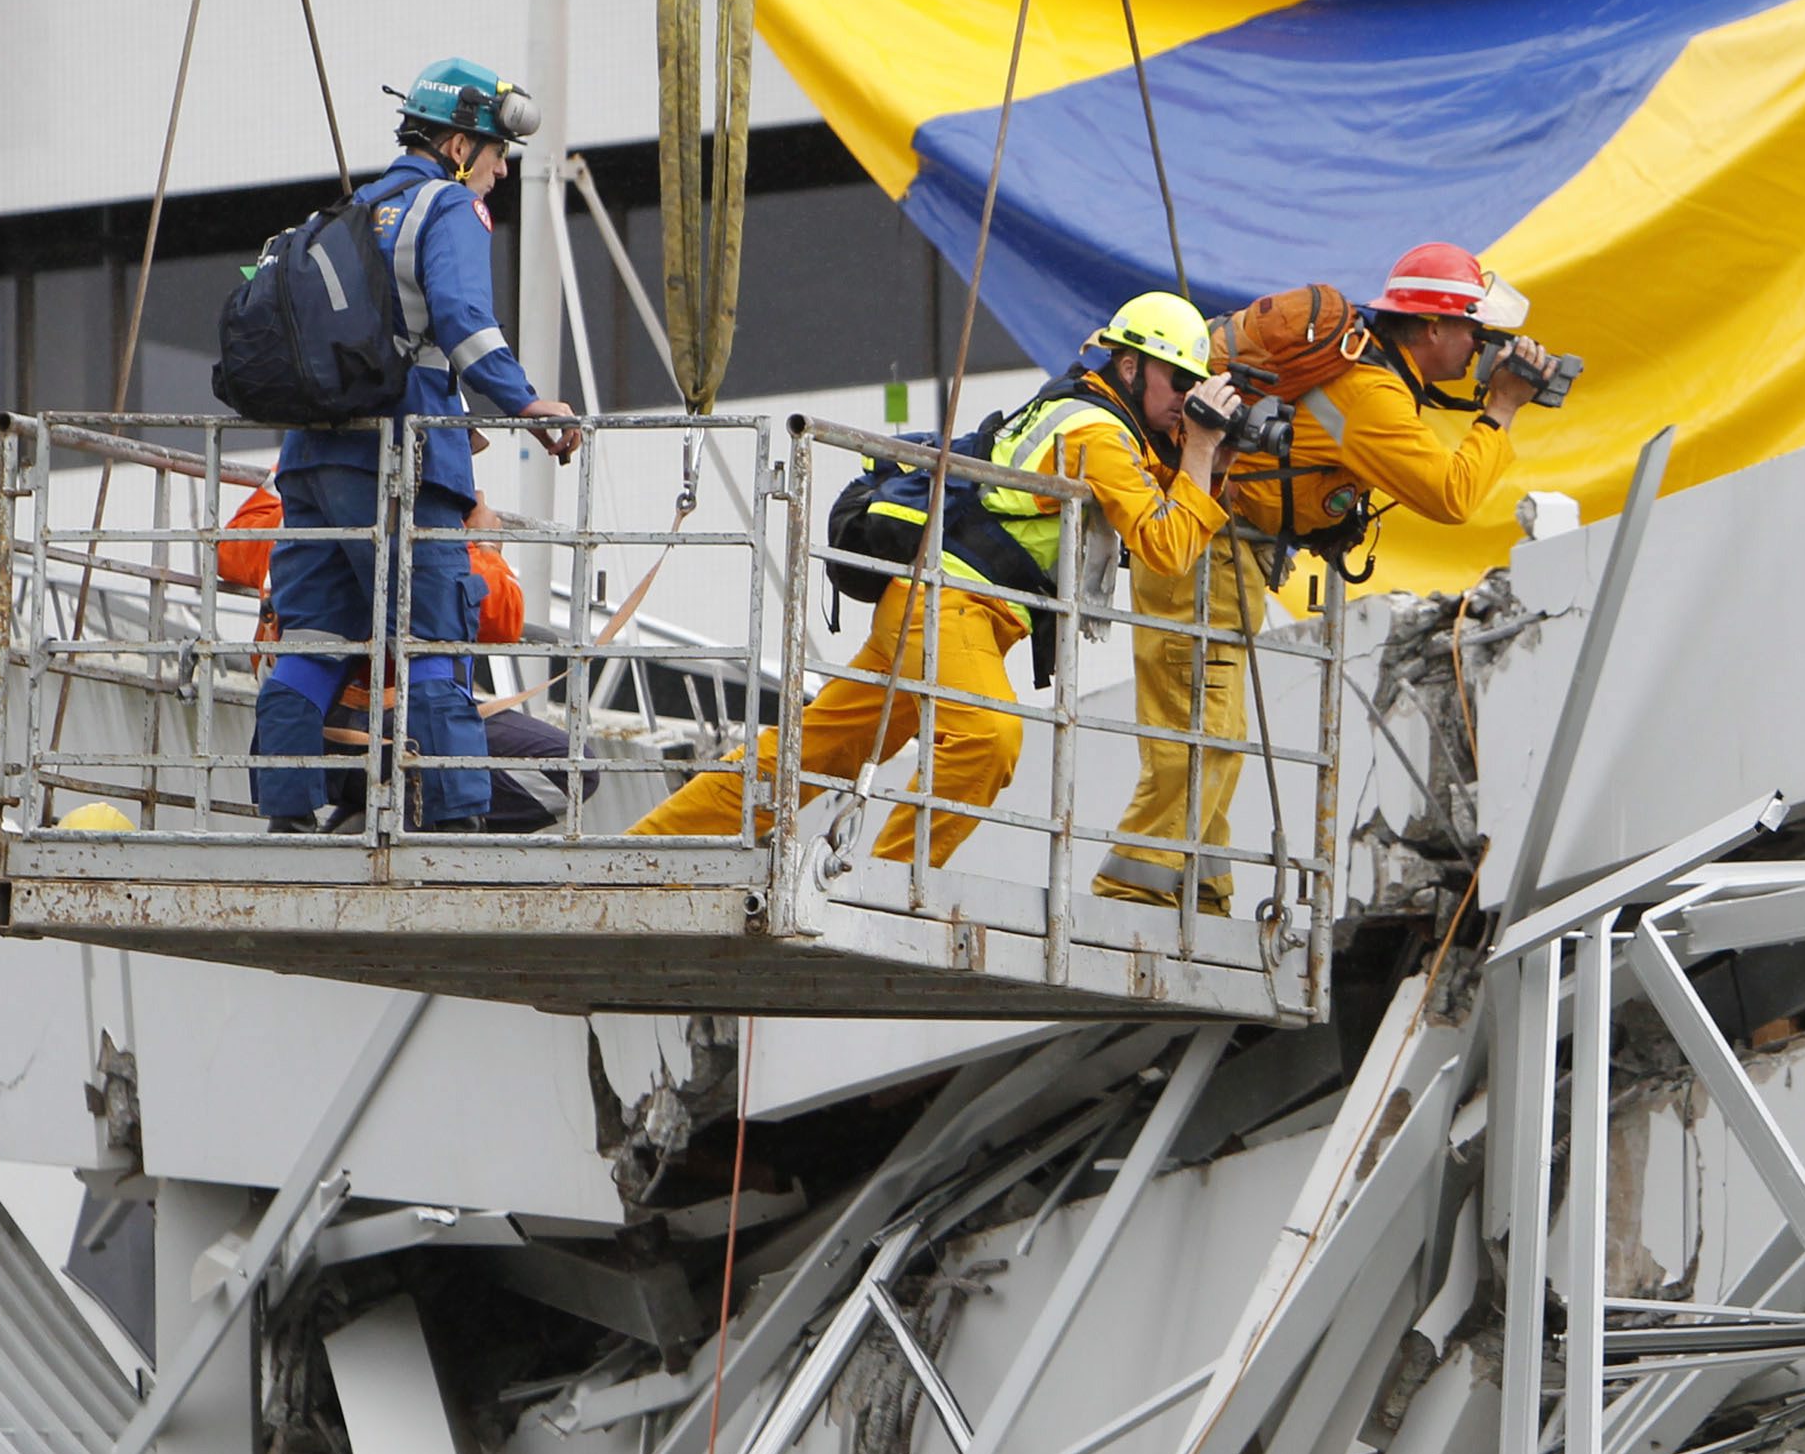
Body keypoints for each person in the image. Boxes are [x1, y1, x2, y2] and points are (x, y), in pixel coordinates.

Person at [631, 292, 1238, 865]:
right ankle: (883, 882)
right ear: (1130, 367)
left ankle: (644, 848)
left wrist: (1214, 455)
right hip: (951, 605)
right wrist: (1204, 448)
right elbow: (1167, 545)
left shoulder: (1097, 418)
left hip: (937, 606)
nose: (1186, 399)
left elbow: (1158, 497)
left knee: (820, 747)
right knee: (988, 737)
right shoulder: (1098, 433)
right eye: (1180, 382)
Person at [1093, 243, 1558, 913]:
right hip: (1207, 548)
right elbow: (1451, 496)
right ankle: (1132, 896)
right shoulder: (1367, 392)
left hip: (1224, 550)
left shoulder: (1364, 370)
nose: (1477, 349)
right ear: (1431, 327)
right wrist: (1502, 409)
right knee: (1200, 732)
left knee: (1214, 732)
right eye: (1472, 331)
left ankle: (1199, 897)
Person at [251, 57, 579, 834]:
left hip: (311, 461)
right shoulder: (448, 208)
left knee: (315, 640)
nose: (499, 173)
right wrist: (529, 405)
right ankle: (456, 822)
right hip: (402, 464)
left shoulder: (342, 215)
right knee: (434, 636)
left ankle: (287, 816)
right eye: (497, 155)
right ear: (461, 146)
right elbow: (466, 323)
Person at [218, 488, 592, 834]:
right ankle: (401, 824)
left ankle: (365, 821)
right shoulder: (414, 520)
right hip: (397, 724)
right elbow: (499, 617)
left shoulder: (294, 519)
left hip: (300, 732)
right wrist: (483, 543)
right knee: (573, 768)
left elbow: (230, 549)